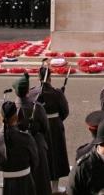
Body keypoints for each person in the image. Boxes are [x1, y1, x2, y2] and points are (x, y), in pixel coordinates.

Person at [29, 65, 70, 194]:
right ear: (50, 78)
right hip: (54, 126)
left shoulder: (31, 92)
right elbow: (65, 111)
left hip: (39, 128)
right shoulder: (57, 93)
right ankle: (54, 187)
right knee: (55, 156)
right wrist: (57, 121)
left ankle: (40, 185)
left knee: (42, 156)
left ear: (38, 79)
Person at [0, 100, 39, 195]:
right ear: (17, 117)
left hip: (1, 185)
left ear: (0, 118)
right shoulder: (26, 139)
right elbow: (34, 162)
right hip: (23, 183)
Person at [12, 73, 52, 195]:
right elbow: (45, 128)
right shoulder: (37, 107)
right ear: (28, 91)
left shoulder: (11, 107)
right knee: (41, 180)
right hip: (36, 143)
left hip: (17, 144)